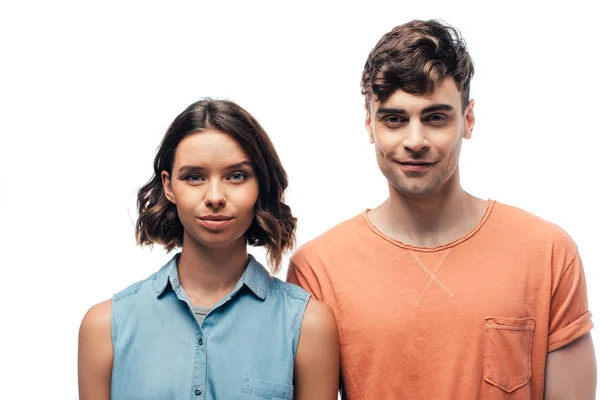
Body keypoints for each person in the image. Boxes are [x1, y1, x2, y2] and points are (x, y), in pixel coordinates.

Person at [287, 20, 596, 399]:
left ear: (467, 119)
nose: (415, 141)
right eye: (394, 119)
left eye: (435, 117)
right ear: (370, 126)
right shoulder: (318, 269)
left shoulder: (548, 253)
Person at [78, 99, 339, 400]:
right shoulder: (104, 327)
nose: (215, 196)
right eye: (194, 177)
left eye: (237, 176)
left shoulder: (308, 325)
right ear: (169, 186)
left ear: (260, 186)